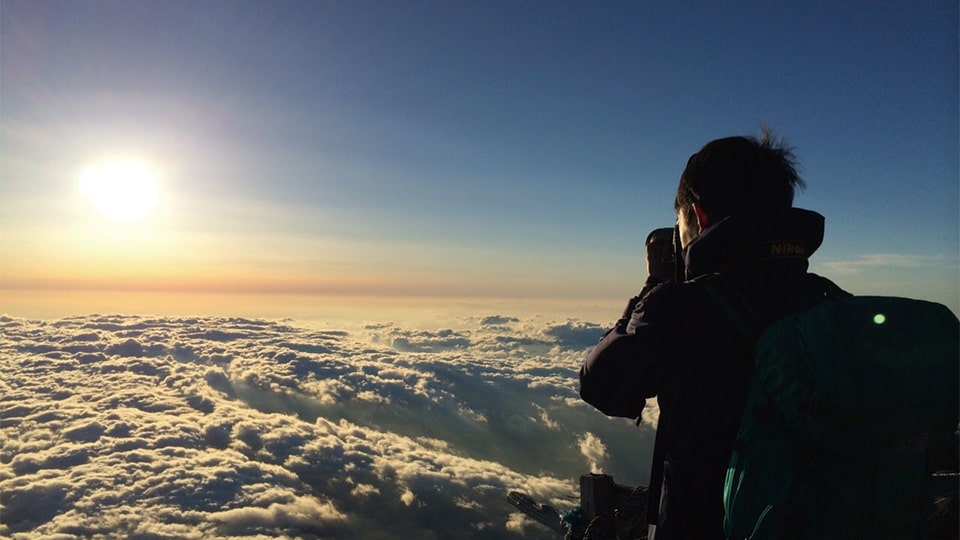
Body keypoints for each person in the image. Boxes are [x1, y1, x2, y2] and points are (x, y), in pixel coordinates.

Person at [579, 131, 849, 539]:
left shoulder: (682, 308)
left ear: (698, 215)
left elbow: (600, 384)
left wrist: (656, 283)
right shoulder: (830, 304)